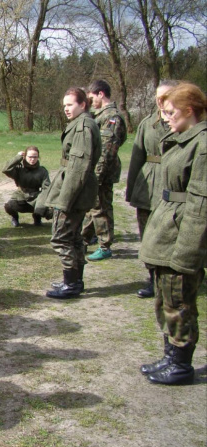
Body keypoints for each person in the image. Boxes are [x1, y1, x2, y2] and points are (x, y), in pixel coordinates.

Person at [138, 82, 206, 385]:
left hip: (181, 235)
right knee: (165, 298)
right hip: (167, 229)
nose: (165, 117)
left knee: (179, 301)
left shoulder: (202, 144)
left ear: (189, 110)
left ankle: (181, 364)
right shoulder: (182, 138)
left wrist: (188, 252)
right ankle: (170, 355)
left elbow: (200, 205)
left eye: (170, 112)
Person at [45, 87, 101, 299]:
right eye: (64, 106)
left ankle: (71, 284)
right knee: (75, 238)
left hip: (73, 192)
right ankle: (75, 281)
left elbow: (78, 167)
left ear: (83, 104)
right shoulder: (81, 124)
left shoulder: (83, 127)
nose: (66, 109)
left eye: (70, 105)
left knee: (61, 238)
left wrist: (64, 201)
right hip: (77, 189)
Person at [126, 81, 177, 298]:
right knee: (147, 234)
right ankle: (152, 279)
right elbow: (137, 158)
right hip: (148, 183)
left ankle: (173, 278)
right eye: (157, 97)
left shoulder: (184, 123)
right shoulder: (147, 124)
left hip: (173, 184)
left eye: (165, 96)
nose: (159, 101)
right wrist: (131, 190)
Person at [81, 80, 127, 261]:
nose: (90, 101)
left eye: (92, 97)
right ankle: (83, 239)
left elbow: (107, 150)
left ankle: (105, 246)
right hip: (95, 169)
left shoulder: (111, 117)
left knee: (101, 208)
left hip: (103, 171)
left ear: (101, 94)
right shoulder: (99, 115)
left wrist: (97, 175)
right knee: (92, 207)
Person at [2, 147, 52, 227]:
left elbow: (47, 188)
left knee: (47, 211)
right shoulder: (19, 169)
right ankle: (15, 217)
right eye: (30, 157)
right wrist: (18, 157)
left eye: (35, 157)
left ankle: (37, 217)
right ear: (25, 157)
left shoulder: (42, 171)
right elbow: (6, 170)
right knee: (9, 206)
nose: (32, 159)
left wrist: (41, 204)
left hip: (36, 198)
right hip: (21, 196)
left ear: (38, 157)